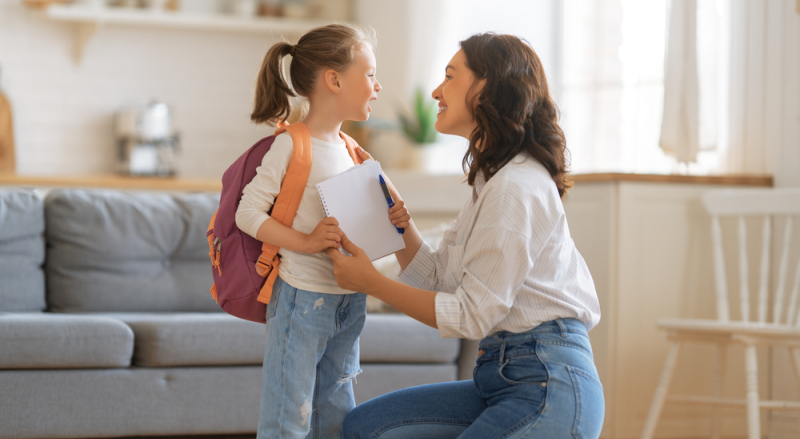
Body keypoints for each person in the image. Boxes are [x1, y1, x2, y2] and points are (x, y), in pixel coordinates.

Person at [326, 33, 605, 439]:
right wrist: (400, 227)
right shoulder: (491, 182)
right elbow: (440, 280)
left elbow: (471, 315)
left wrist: (373, 283)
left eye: (450, 77)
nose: (437, 91)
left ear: (487, 86)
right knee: (366, 427)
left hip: (547, 382)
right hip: (500, 378)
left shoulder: (516, 187)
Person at [235, 23, 383, 439]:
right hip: (302, 300)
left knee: (335, 416)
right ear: (334, 80)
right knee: (288, 418)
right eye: (369, 74)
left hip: (349, 302)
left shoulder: (354, 152)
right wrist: (306, 241)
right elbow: (247, 214)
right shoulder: (292, 145)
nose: (378, 85)